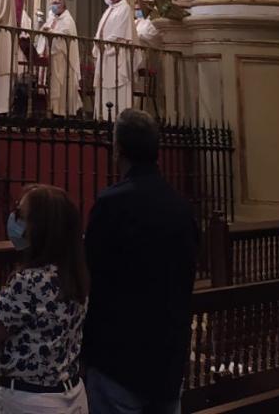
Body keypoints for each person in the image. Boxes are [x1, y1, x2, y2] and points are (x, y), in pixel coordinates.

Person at [83, 110, 197, 414]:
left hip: (118, 361)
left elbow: (91, 273)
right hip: (168, 361)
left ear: (117, 149)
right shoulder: (181, 208)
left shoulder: (111, 204)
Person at [0, 185, 89, 413]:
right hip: (71, 394)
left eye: (21, 215)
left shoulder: (29, 282)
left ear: (40, 228)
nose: (14, 221)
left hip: (31, 400)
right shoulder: (74, 275)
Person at [93, 0, 133, 120]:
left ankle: (119, 118)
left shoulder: (124, 8)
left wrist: (107, 44)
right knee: (104, 85)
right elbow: (101, 29)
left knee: (117, 84)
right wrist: (97, 41)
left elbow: (120, 30)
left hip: (115, 52)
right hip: (104, 53)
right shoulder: (109, 9)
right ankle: (103, 116)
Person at [43, 0, 81, 117]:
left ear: (63, 6)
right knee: (53, 83)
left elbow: (65, 36)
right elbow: (46, 29)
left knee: (61, 84)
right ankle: (53, 110)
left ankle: (61, 111)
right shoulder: (53, 18)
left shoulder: (68, 20)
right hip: (54, 56)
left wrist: (51, 32)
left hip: (63, 58)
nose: (53, 5)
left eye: (56, 3)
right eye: (52, 3)